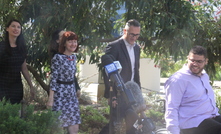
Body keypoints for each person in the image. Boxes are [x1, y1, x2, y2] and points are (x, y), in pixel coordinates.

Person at [164, 45, 221, 134]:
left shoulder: (204, 76)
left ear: (206, 61)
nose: (195, 64)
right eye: (192, 60)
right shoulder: (178, 79)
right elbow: (171, 108)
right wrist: (174, 132)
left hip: (211, 117)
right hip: (192, 123)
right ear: (188, 58)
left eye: (199, 61)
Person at [100, 19, 141, 134]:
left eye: (137, 35)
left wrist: (139, 93)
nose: (134, 37)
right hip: (118, 93)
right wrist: (111, 95)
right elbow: (107, 72)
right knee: (114, 125)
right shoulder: (114, 46)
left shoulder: (137, 48)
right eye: (132, 34)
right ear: (124, 31)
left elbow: (135, 71)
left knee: (133, 123)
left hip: (131, 93)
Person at [47, 31, 81, 134]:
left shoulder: (74, 57)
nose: (73, 44)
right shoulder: (58, 57)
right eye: (70, 41)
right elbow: (54, 78)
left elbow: (72, 76)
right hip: (60, 94)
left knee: (74, 126)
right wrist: (51, 99)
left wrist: (77, 88)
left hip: (71, 94)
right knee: (59, 126)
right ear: (64, 43)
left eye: (75, 41)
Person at [0, 19, 35, 104]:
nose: (16, 29)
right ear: (7, 29)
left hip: (16, 86)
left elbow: (24, 68)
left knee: (15, 113)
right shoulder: (1, 46)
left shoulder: (22, 48)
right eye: (13, 26)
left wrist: (31, 86)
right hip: (2, 84)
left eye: (18, 27)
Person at [48, 29, 81, 97]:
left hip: (70, 92)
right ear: (57, 41)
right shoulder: (57, 56)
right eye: (63, 36)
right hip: (60, 93)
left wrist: (76, 87)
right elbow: (54, 78)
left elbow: (71, 74)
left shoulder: (72, 56)